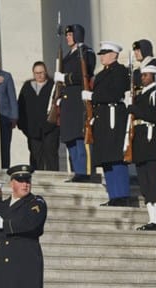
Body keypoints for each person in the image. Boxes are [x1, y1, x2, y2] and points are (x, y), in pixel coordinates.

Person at [86, 41, 131, 206]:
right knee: (106, 159)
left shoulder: (119, 71)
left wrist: (93, 97)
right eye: (102, 54)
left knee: (116, 158)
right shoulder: (102, 73)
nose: (102, 57)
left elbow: (116, 92)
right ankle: (114, 195)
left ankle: (122, 195)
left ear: (114, 55)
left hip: (113, 117)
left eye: (105, 54)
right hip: (102, 118)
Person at [54, 24, 96, 182]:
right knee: (70, 138)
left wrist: (64, 78)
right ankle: (77, 170)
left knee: (80, 137)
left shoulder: (86, 52)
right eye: (67, 35)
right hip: (67, 101)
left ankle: (84, 171)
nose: (67, 37)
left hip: (78, 100)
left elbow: (84, 74)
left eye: (70, 34)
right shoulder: (69, 55)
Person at [128, 63, 156, 226]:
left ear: (154, 76)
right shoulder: (142, 93)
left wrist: (135, 109)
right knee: (144, 184)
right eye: (142, 75)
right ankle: (151, 219)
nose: (142, 78)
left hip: (151, 141)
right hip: (141, 142)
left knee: (153, 182)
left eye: (146, 75)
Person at [17, 61, 60, 171]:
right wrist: (22, 125)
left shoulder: (53, 85)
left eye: (41, 72)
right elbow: (21, 106)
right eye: (36, 73)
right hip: (32, 130)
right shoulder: (27, 87)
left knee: (51, 155)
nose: (39, 75)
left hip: (51, 128)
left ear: (45, 72)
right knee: (35, 157)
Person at [131, 39, 156, 104]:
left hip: (153, 105)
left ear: (145, 50)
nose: (135, 53)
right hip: (139, 107)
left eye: (138, 50)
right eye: (134, 50)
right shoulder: (136, 71)